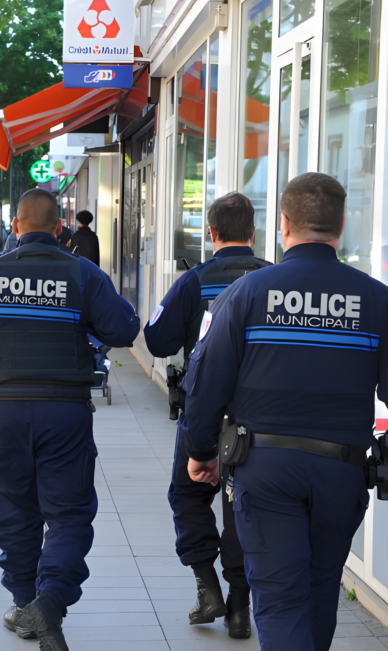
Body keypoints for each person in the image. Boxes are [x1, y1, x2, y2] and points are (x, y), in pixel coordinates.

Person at [182, 172, 388, 651]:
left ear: (283, 224)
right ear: (342, 225)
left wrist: (200, 450)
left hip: (265, 471)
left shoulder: (247, 294)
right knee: (319, 592)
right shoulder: (376, 300)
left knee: (280, 601)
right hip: (340, 473)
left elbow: (205, 383)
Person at [0, 189, 139, 651]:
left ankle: (26, 605)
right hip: (66, 411)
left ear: (15, 227)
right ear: (59, 228)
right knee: (69, 513)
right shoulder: (84, 274)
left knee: (15, 512)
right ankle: (50, 601)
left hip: (5, 411)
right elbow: (123, 328)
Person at [143, 192, 270, 639]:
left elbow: (155, 340)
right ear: (253, 233)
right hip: (260, 421)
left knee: (187, 495)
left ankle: (206, 586)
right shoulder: (274, 280)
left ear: (211, 234)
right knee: (241, 506)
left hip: (205, 415)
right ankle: (240, 606)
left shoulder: (195, 280)